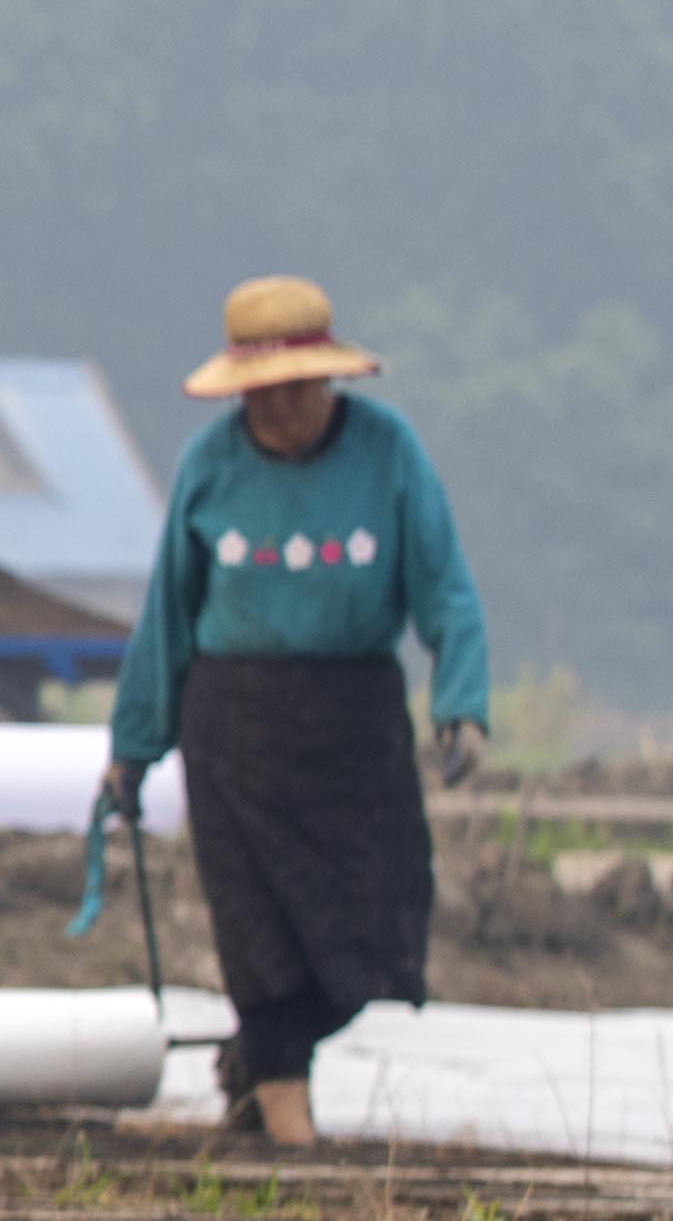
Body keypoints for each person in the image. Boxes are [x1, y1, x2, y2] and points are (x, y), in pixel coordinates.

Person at [101, 276, 490, 1146]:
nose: (280, 412)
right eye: (262, 396)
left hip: (355, 722)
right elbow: (167, 612)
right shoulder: (209, 465)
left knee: (380, 929)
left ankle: (253, 1064)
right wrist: (132, 746)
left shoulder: (387, 452)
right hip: (234, 727)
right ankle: (288, 1124)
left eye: (296, 390)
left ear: (330, 381)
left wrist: (460, 701)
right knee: (258, 933)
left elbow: (444, 586)